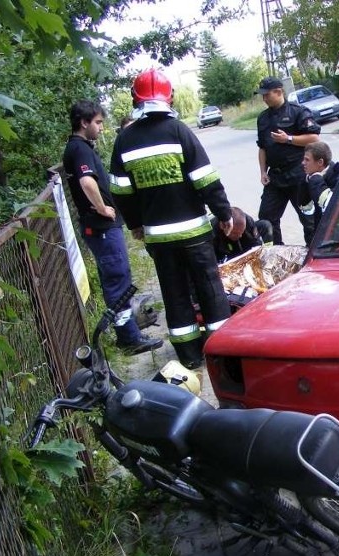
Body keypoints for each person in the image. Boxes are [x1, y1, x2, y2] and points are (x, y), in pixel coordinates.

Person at [109, 68, 234, 369]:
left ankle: (190, 357)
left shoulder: (125, 140)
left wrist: (135, 223)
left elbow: (120, 191)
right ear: (169, 97)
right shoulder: (179, 131)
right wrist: (223, 213)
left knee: (174, 294)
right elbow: (204, 179)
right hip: (194, 233)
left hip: (159, 238)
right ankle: (222, 355)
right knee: (210, 290)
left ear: (135, 99)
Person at [62, 99, 162, 356]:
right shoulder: (80, 149)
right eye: (97, 123)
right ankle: (129, 338)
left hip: (100, 227)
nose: (101, 128)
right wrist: (103, 208)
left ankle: (128, 334)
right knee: (118, 280)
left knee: (118, 278)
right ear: (83, 122)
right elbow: (87, 182)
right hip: (102, 227)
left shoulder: (77, 147)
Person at [255, 76, 321, 246]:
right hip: (275, 177)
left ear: (279, 91)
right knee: (266, 219)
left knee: (309, 220)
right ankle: (276, 254)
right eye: (262, 95)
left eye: (267, 94)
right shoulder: (262, 118)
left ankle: (312, 254)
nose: (264, 98)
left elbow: (314, 138)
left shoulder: (298, 111)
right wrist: (263, 172)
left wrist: (288, 139)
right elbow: (262, 148)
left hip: (297, 174)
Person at [301, 141, 339, 235]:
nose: (303, 163)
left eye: (307, 160)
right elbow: (306, 208)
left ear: (320, 162)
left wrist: (316, 180)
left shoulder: (338, 178)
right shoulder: (309, 177)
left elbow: (329, 205)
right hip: (321, 233)